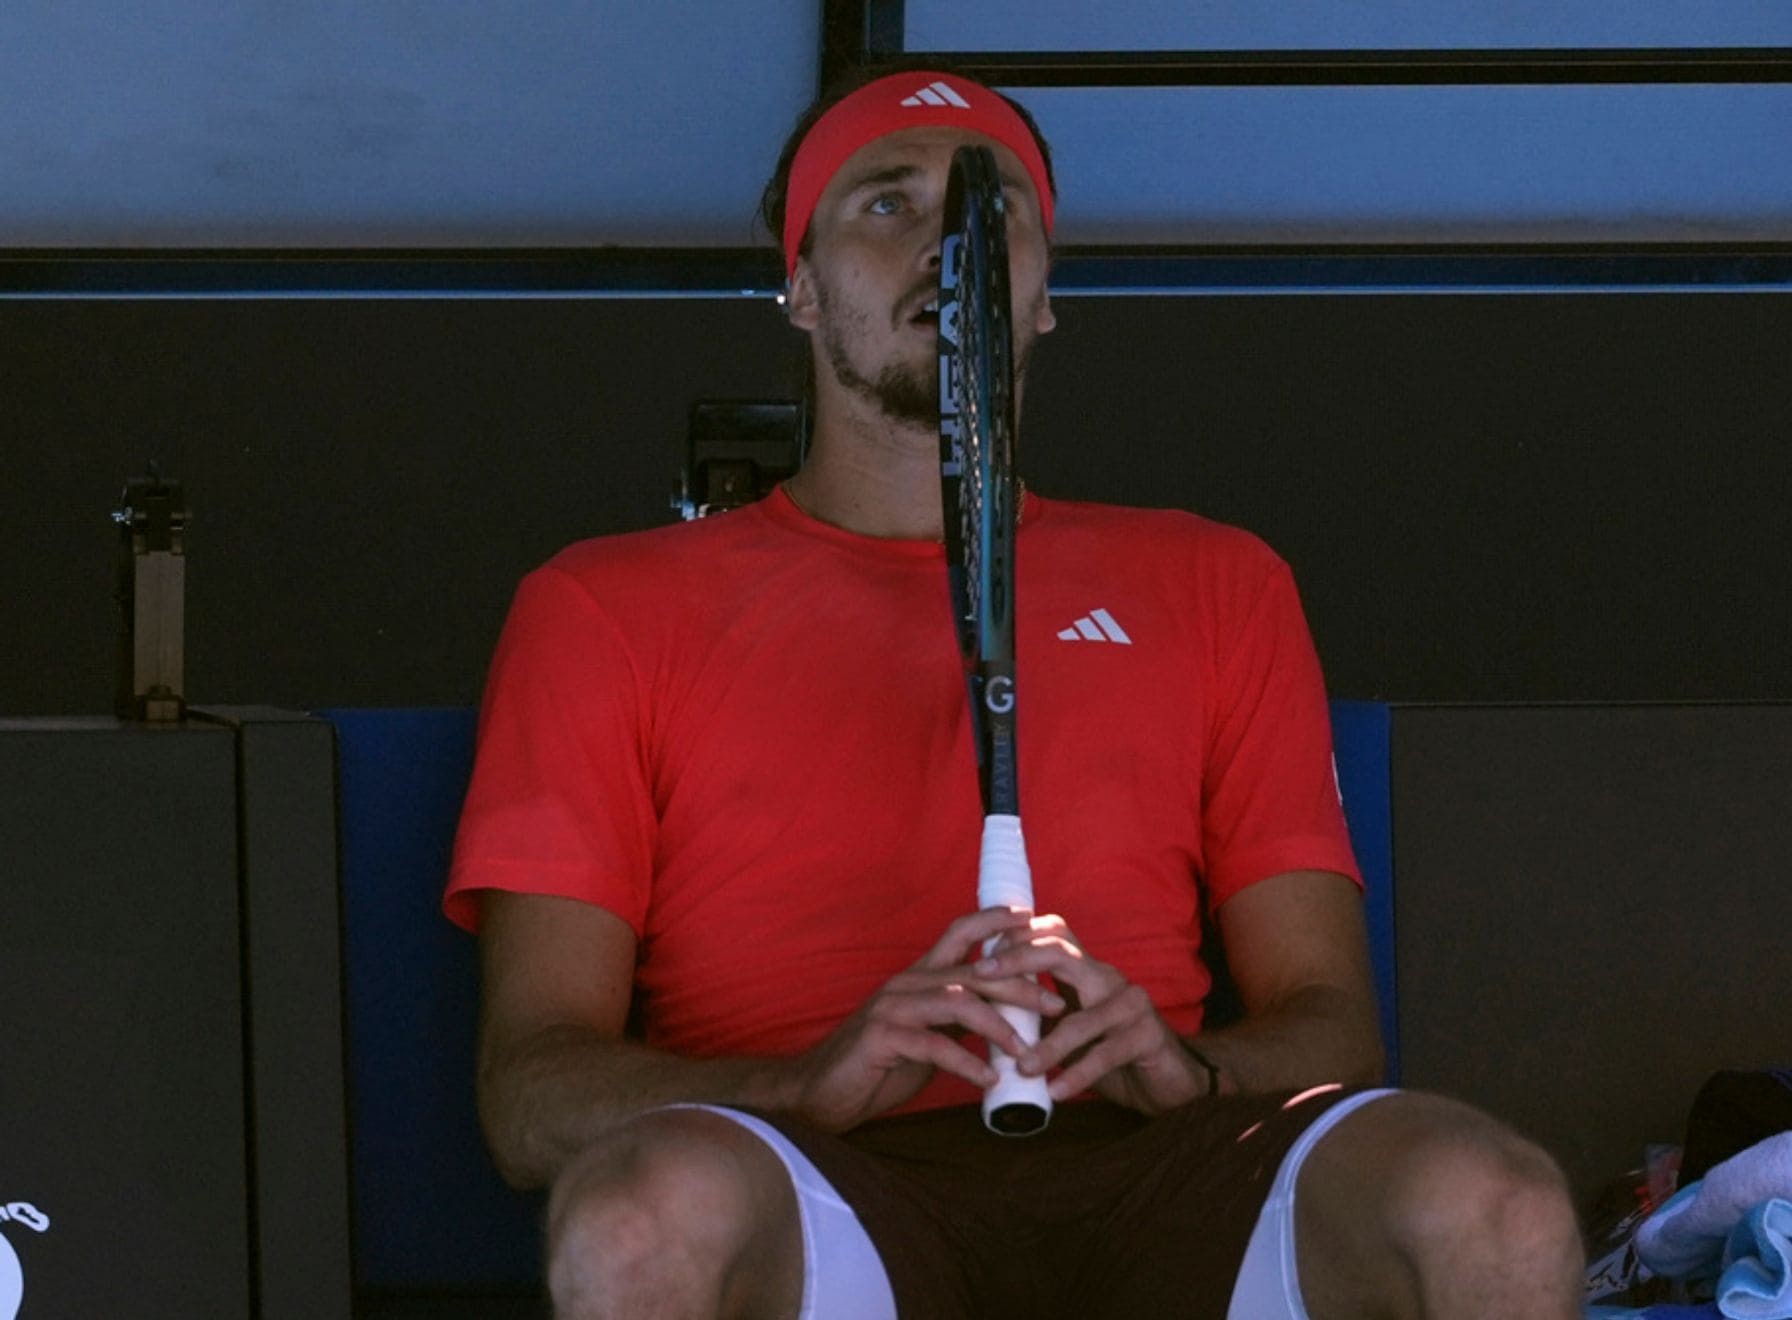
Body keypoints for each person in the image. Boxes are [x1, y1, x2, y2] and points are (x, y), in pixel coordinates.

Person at [445, 65, 1585, 1319]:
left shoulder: (1216, 579)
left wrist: (1181, 1072)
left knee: (1500, 1209)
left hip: (1167, 1169)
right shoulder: (603, 607)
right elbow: (531, 1099)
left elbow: (1332, 1035)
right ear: (802, 286)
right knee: (634, 1225)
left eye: (994, 214)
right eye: (886, 202)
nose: (948, 244)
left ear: (1043, 296)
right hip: (817, 1179)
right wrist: (804, 1087)